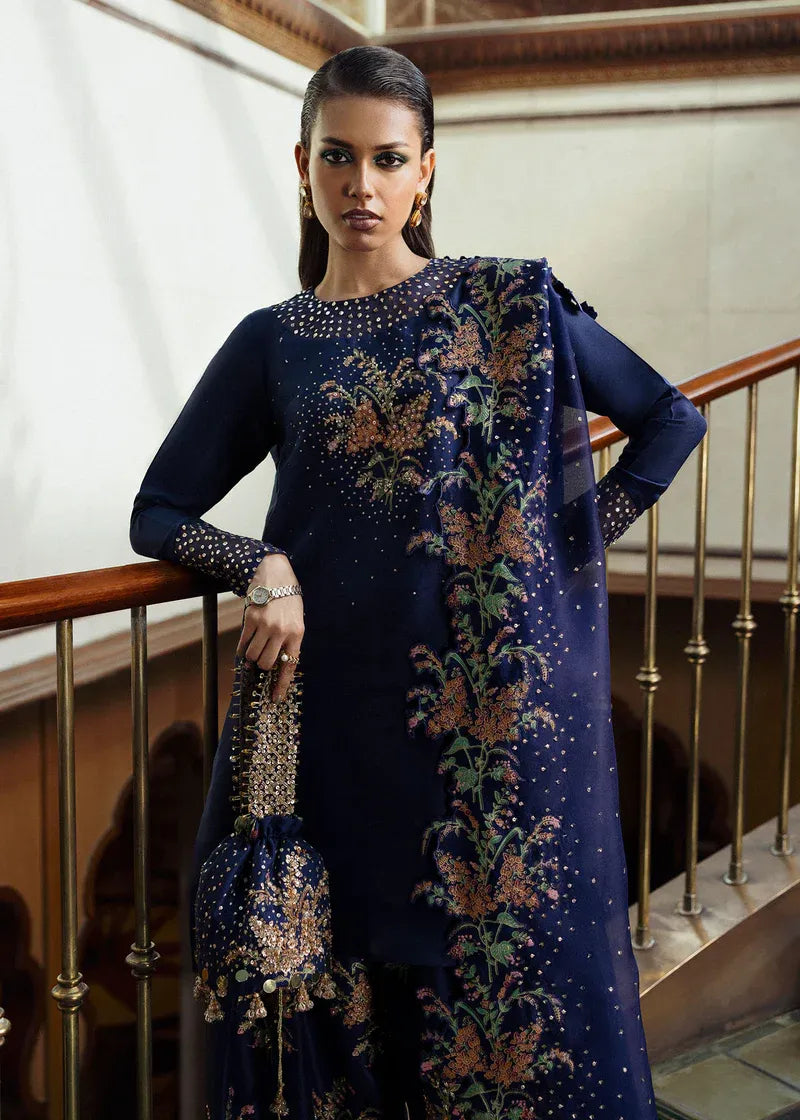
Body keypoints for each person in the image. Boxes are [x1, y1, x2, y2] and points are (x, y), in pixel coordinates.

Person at [129, 43, 707, 1120]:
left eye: (388, 159)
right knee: (343, 997)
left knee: (494, 995)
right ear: (302, 164)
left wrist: (565, 545)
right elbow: (157, 511)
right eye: (338, 157)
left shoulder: (503, 307)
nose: (362, 185)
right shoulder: (274, 342)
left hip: (478, 731)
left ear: (426, 171)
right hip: (323, 721)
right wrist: (260, 565)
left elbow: (669, 419)